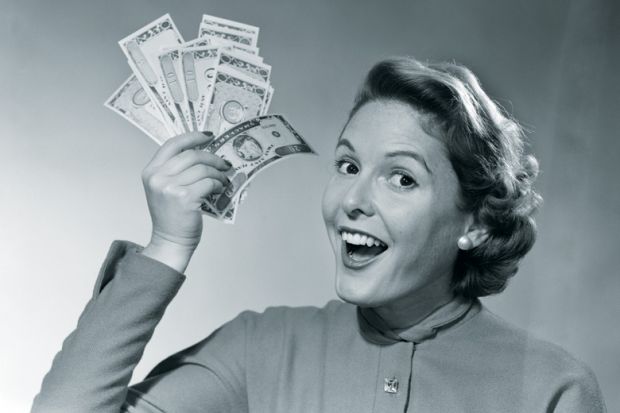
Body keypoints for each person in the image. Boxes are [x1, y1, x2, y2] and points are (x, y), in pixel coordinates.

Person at [32, 57, 607, 412]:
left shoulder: (553, 389)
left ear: (475, 223)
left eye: (401, 178)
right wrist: (167, 248)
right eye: (349, 166)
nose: (353, 201)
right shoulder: (261, 349)